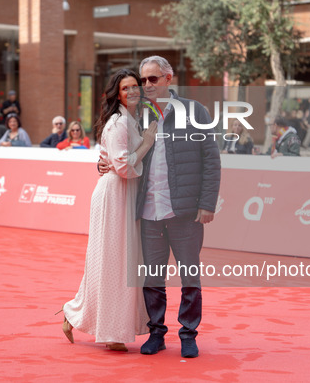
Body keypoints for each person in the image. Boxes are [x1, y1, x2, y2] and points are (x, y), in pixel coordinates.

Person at [60, 69, 158, 352]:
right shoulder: (118, 123)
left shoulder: (132, 120)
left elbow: (117, 160)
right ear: (117, 93)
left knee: (120, 263)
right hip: (114, 194)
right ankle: (109, 330)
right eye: (126, 88)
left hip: (126, 195)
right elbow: (124, 166)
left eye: (135, 87)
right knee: (112, 263)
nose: (132, 92)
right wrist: (147, 143)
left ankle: (85, 317)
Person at [136, 56, 221, 358]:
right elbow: (119, 152)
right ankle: (156, 333)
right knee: (152, 277)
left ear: (168, 79)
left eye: (152, 79)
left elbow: (211, 160)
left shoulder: (195, 111)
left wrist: (207, 203)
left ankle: (188, 334)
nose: (146, 85)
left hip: (185, 212)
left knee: (190, 277)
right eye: (143, 80)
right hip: (149, 213)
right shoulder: (137, 114)